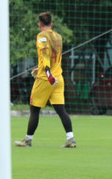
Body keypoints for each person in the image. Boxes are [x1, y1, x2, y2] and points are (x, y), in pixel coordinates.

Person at [14, 11, 76, 148]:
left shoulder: (41, 36)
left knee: (34, 109)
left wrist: (47, 73)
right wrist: (41, 67)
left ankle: (28, 140)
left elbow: (46, 54)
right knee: (61, 110)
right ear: (51, 24)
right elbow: (52, 57)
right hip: (59, 78)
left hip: (46, 79)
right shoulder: (58, 36)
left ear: (39, 24)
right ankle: (71, 138)